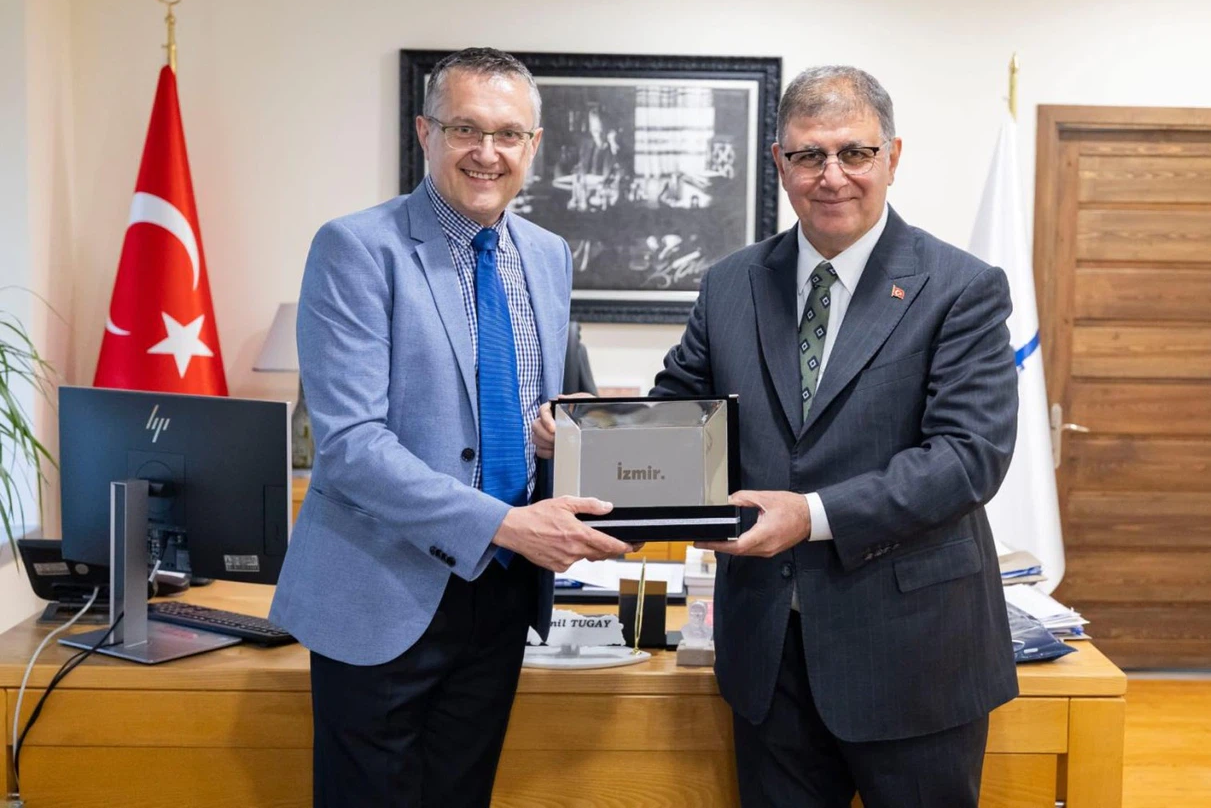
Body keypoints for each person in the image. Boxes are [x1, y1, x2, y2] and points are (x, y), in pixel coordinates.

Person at [536, 65, 1019, 807]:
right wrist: (585, 434)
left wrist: (811, 515)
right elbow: (681, 417)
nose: (832, 175)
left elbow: (967, 458)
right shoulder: (731, 283)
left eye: (854, 152)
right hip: (767, 653)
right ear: (779, 163)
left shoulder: (961, 287)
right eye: (808, 155)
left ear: (892, 157)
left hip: (913, 654)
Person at [270, 47, 633, 808]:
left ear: (534, 145)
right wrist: (505, 524)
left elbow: (524, 404)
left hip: (502, 595)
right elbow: (351, 446)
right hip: (381, 589)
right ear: (425, 133)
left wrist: (550, 434)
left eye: (508, 134)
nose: (487, 152)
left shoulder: (549, 256)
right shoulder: (356, 248)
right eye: (465, 128)